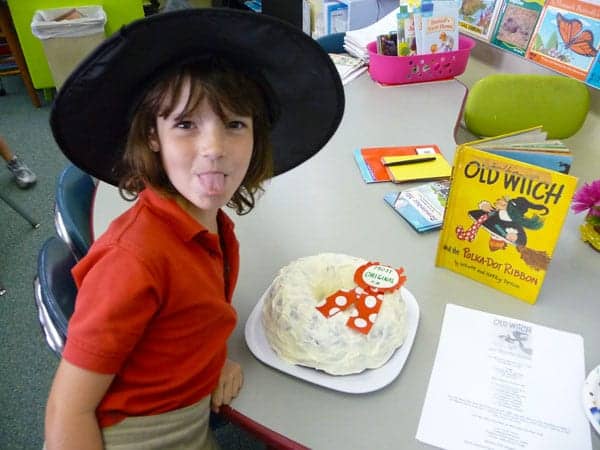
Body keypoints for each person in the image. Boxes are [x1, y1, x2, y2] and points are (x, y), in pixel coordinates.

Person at [45, 8, 344, 450]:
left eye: (235, 124)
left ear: (257, 136)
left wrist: (212, 360)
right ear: (152, 135)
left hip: (191, 414)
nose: (214, 149)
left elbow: (189, 318)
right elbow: (67, 410)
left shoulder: (205, 224)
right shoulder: (131, 262)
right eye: (186, 124)